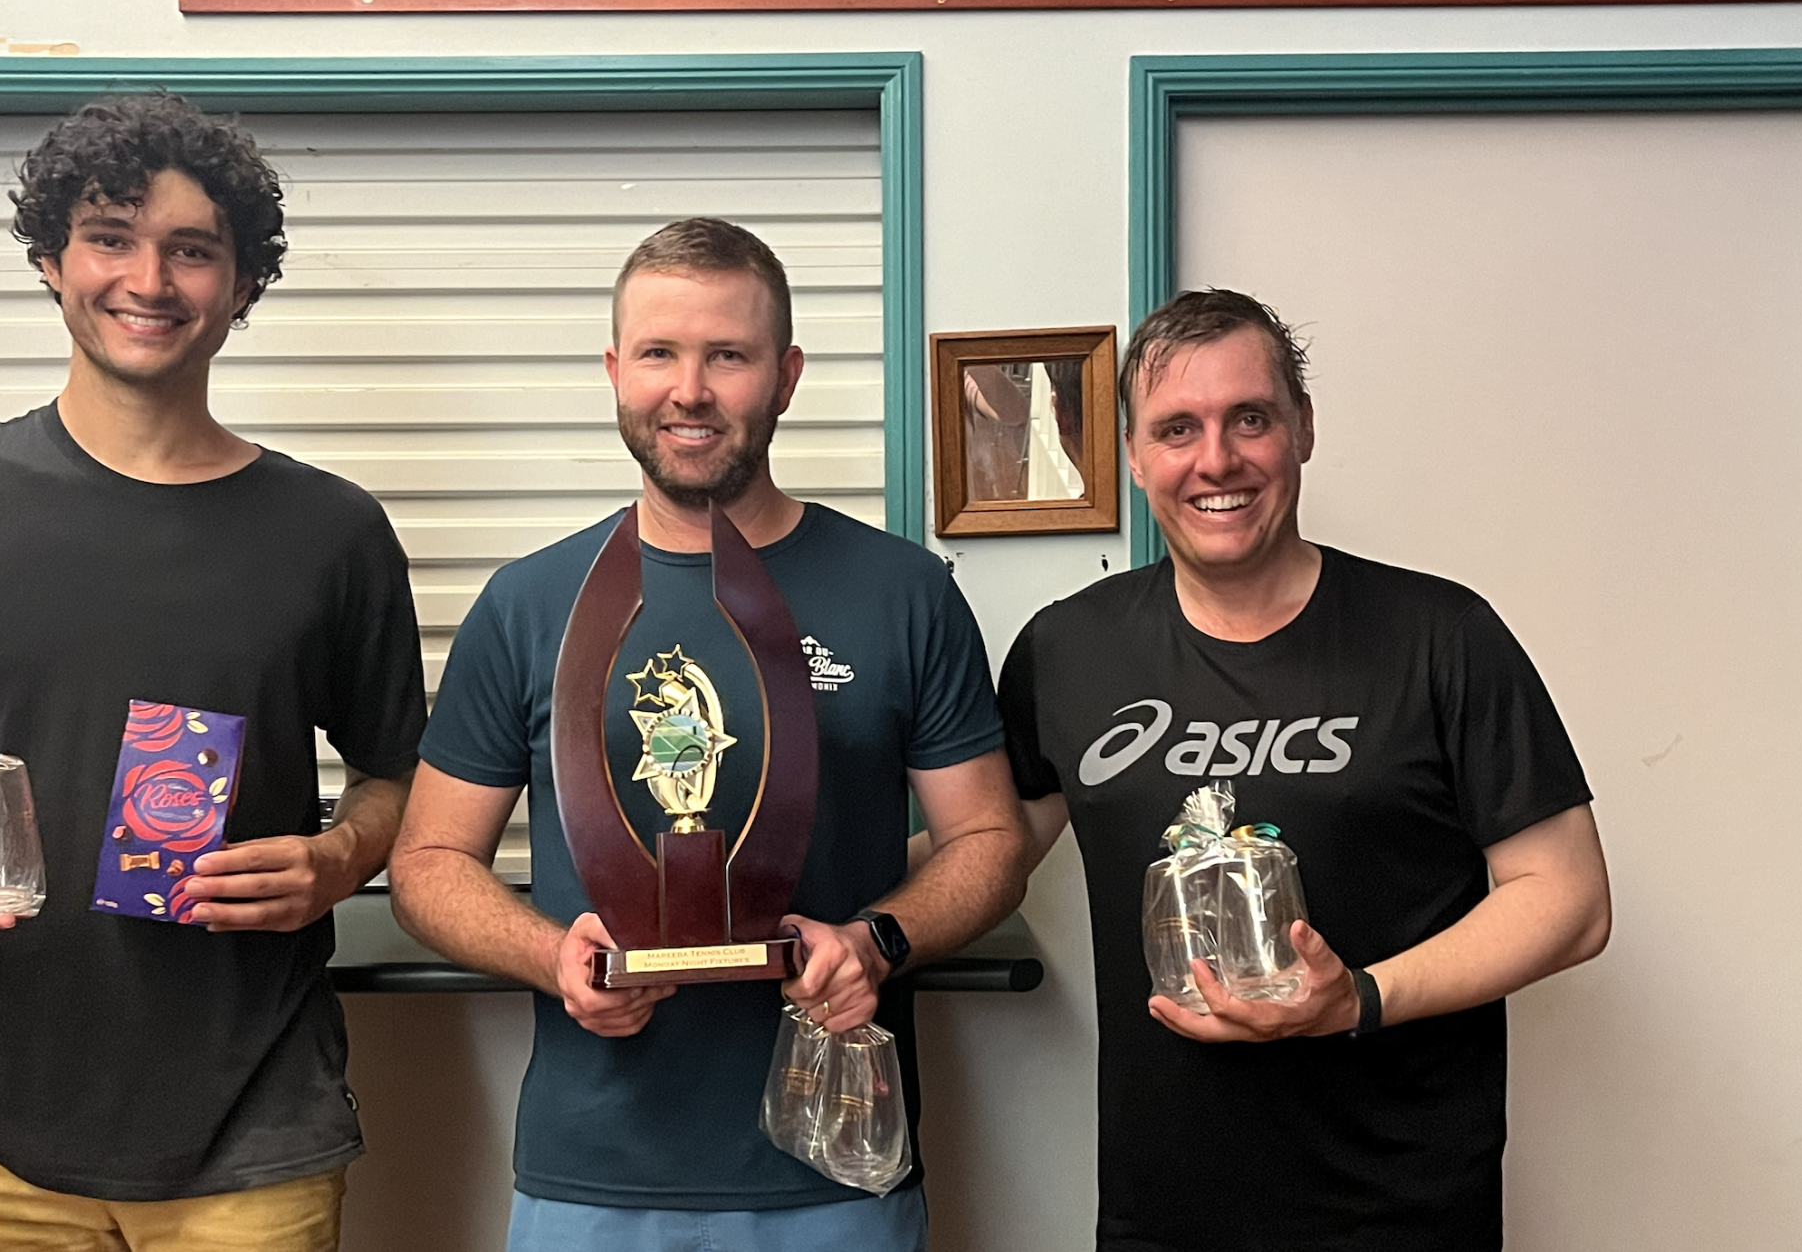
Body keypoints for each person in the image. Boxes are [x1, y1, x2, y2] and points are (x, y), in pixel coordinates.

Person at [0, 92, 428, 1251]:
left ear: (240, 284)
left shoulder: (333, 532)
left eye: (191, 250)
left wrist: (337, 860)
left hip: (255, 1128)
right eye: (109, 237)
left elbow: (400, 779)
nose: (147, 279)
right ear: (52, 259)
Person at [391, 218, 1029, 1251]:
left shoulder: (901, 593)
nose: (689, 390)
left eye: (726, 355)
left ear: (783, 375)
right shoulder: (528, 604)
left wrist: (876, 942)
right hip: (589, 1176)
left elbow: (989, 845)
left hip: (834, 1167)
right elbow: (425, 863)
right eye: (658, 353)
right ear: (613, 370)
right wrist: (552, 955)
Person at [998, 289, 1612, 1252]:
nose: (1216, 459)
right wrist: (825, 909)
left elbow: (1570, 899)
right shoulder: (1066, 650)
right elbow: (989, 843)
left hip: (1401, 1210)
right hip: (1165, 1212)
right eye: (1176, 428)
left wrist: (1359, 996)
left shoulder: (1441, 635)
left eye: (1251, 418)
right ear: (1131, 454)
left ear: (1304, 429)